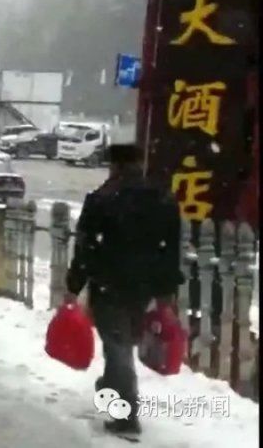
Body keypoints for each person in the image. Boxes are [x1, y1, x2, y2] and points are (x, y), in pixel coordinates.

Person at [64, 144, 183, 438]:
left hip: (110, 283)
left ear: (114, 166)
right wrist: (166, 290)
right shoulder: (162, 199)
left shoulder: (102, 199)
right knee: (123, 342)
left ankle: (126, 416)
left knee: (118, 347)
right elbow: (171, 249)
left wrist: (73, 286)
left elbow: (86, 248)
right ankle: (110, 385)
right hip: (144, 287)